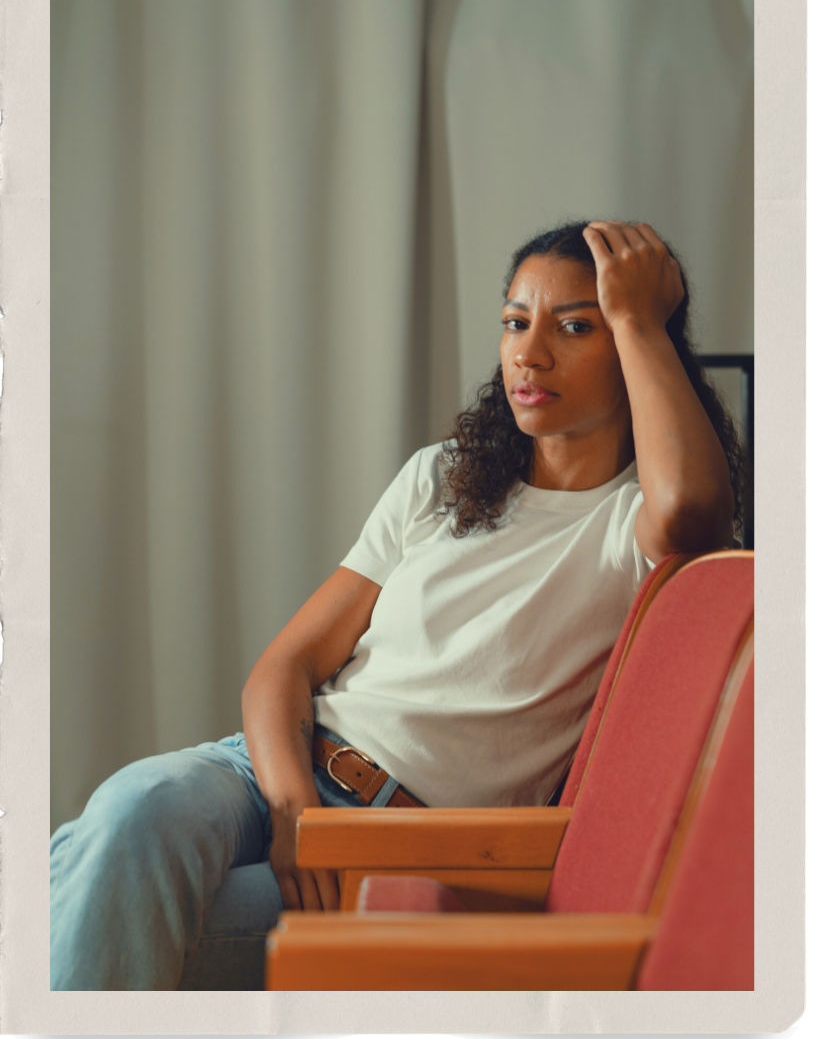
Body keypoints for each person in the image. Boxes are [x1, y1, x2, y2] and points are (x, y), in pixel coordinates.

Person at [50, 220, 746, 989]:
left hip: (399, 838)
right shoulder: (442, 477)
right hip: (269, 771)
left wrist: (639, 315)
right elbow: (285, 668)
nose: (529, 352)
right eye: (516, 321)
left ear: (634, 347)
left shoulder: (631, 525)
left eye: (576, 326)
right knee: (128, 812)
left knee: (86, 888)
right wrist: (291, 816)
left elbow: (690, 508)